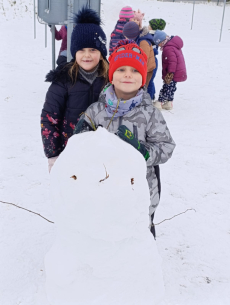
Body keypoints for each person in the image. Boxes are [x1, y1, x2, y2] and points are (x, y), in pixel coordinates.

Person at [73, 40, 176, 233]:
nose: (128, 74)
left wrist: (144, 153)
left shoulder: (150, 114)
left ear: (143, 78)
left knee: (137, 237)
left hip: (139, 193)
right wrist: (81, 140)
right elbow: (79, 146)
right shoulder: (96, 110)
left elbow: (166, 146)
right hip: (103, 191)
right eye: (121, 69)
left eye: (135, 70)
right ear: (111, 76)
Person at [41, 7, 109, 172]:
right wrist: (53, 155)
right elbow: (49, 119)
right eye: (81, 50)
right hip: (70, 151)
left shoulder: (110, 79)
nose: (87, 55)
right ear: (74, 52)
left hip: (104, 153)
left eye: (93, 50)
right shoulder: (63, 80)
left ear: (101, 53)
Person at [152, 30, 187, 110]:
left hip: (172, 72)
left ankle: (159, 102)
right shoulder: (172, 44)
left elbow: (172, 62)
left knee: (166, 87)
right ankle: (169, 103)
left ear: (162, 41)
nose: (159, 46)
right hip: (177, 71)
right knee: (171, 87)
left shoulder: (168, 48)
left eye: (159, 43)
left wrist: (170, 73)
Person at [123, 21, 156, 87]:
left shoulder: (143, 42)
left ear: (132, 35)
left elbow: (143, 59)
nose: (125, 38)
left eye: (127, 36)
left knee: (141, 87)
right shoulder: (137, 40)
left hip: (147, 70)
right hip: (141, 68)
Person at [147, 18, 166, 101]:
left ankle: (150, 98)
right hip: (153, 60)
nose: (148, 26)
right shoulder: (155, 36)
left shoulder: (151, 37)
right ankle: (152, 95)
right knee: (151, 80)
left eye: (149, 25)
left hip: (151, 60)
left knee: (149, 81)